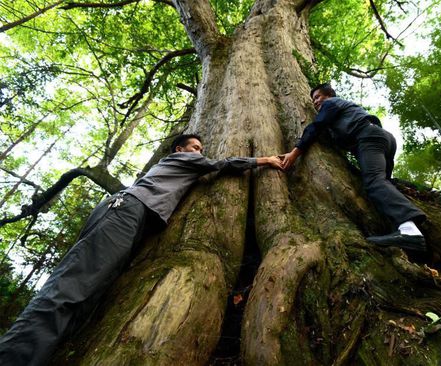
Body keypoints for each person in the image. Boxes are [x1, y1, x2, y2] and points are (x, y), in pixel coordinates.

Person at [0, 134, 283, 366]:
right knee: (71, 287)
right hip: (125, 209)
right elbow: (222, 164)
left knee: (87, 298)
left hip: (128, 214)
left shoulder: (180, 168)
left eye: (200, 148)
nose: (199, 152)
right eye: (195, 147)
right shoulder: (183, 160)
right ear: (180, 149)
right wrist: (265, 159)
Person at [280, 84, 427, 251]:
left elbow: (316, 127)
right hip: (381, 137)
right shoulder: (342, 113)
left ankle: (410, 230)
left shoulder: (332, 103)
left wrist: (294, 153)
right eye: (313, 99)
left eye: (318, 97)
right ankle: (399, 230)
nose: (315, 102)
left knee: (375, 182)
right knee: (383, 185)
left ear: (328, 95)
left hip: (368, 136)